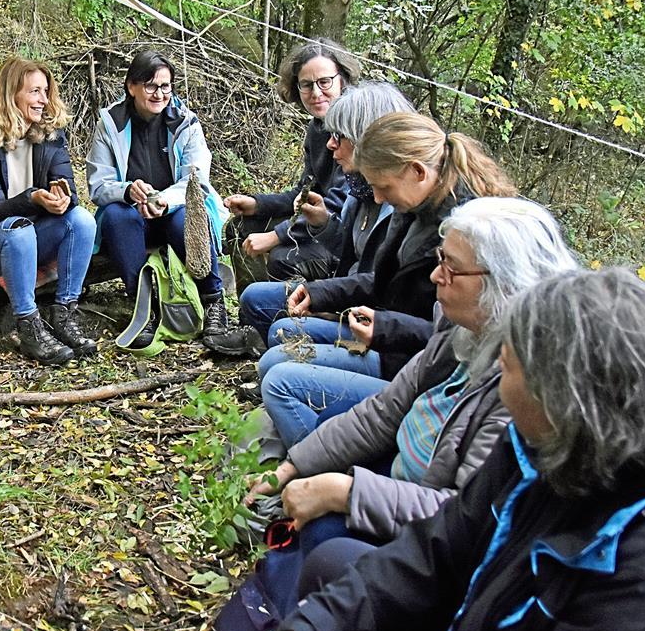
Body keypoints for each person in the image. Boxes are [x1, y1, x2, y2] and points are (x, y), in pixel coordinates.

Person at [263, 268, 645, 631]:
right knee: (332, 581)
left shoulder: (644, 592)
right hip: (479, 611)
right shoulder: (534, 448)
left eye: (508, 364)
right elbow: (438, 547)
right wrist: (313, 626)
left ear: (559, 397)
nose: (496, 371)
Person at [244, 199, 580, 553]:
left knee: (326, 543)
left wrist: (346, 493)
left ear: (505, 282)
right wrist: (292, 467)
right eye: (440, 260)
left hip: (430, 528)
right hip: (400, 470)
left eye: (451, 268)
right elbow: (384, 412)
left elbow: (464, 516)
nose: (436, 275)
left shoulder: (520, 389)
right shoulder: (459, 333)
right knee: (319, 444)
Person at [257, 112, 515, 387]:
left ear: (418, 171)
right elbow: (384, 282)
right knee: (282, 335)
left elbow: (463, 337)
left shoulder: (467, 235)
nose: (379, 198)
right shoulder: (415, 210)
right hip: (389, 342)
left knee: (280, 377)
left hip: (417, 366)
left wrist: (386, 329)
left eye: (383, 187)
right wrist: (320, 292)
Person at [206, 82, 414, 358]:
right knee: (253, 297)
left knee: (283, 331)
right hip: (346, 296)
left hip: (368, 322)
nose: (330, 144)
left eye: (339, 136)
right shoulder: (360, 192)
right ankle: (266, 350)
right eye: (305, 84)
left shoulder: (401, 204)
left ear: (368, 139)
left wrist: (328, 301)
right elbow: (347, 255)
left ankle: (282, 360)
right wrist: (323, 223)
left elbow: (383, 291)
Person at [0, 56, 97, 365]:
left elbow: (68, 188)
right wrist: (33, 199)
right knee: (17, 228)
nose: (43, 100)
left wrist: (62, 199)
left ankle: (64, 313)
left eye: (45, 91)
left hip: (35, 237)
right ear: (11, 94)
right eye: (34, 92)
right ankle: (29, 325)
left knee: (81, 220)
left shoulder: (51, 136)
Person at [86, 49, 230, 344]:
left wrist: (165, 200)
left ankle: (213, 301)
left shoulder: (185, 122)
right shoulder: (110, 124)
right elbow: (98, 185)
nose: (159, 94)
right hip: (131, 211)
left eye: (165, 86)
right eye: (151, 86)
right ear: (132, 87)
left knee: (188, 217)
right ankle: (145, 309)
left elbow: (196, 178)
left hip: (174, 207)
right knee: (116, 216)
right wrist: (126, 191)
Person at [223, 40, 359, 290]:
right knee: (238, 227)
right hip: (314, 222)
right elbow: (304, 193)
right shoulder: (317, 128)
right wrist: (258, 204)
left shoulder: (353, 129)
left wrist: (275, 236)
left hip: (343, 237)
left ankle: (292, 319)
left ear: (342, 80)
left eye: (325, 82)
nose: (316, 93)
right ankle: (250, 316)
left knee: (281, 257)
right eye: (307, 85)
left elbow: (336, 208)